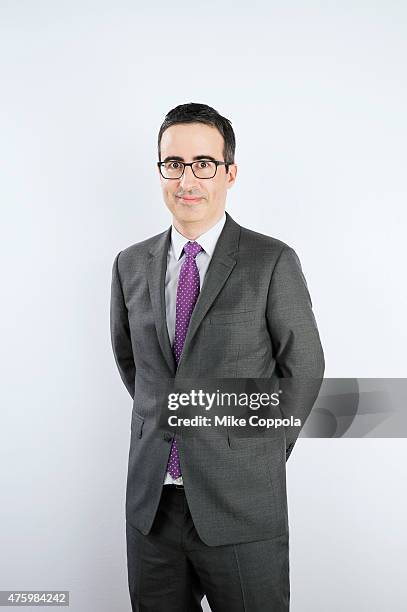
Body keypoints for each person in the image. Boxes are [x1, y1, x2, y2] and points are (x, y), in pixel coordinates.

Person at [110, 102, 325, 611]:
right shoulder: (129, 264)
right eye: (174, 164)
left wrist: (256, 449)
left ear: (230, 172)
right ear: (160, 170)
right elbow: (133, 366)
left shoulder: (271, 260)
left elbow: (304, 368)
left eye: (204, 163)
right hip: (153, 508)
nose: (189, 179)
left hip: (242, 505)